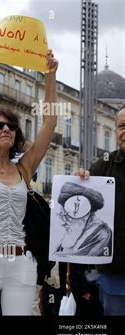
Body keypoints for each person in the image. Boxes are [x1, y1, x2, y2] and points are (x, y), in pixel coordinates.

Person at [0, 43, 59, 315]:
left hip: (21, 262)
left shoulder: (23, 169)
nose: (6, 129)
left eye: (11, 126)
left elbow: (49, 124)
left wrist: (49, 77)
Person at [76, 106, 125, 315]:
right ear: (116, 131)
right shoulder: (103, 166)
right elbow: (80, 191)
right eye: (122, 126)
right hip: (114, 276)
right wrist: (80, 178)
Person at [53, 182, 112, 257]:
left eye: (67, 217)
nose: (63, 223)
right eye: (63, 217)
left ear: (85, 215)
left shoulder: (102, 234)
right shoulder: (76, 230)